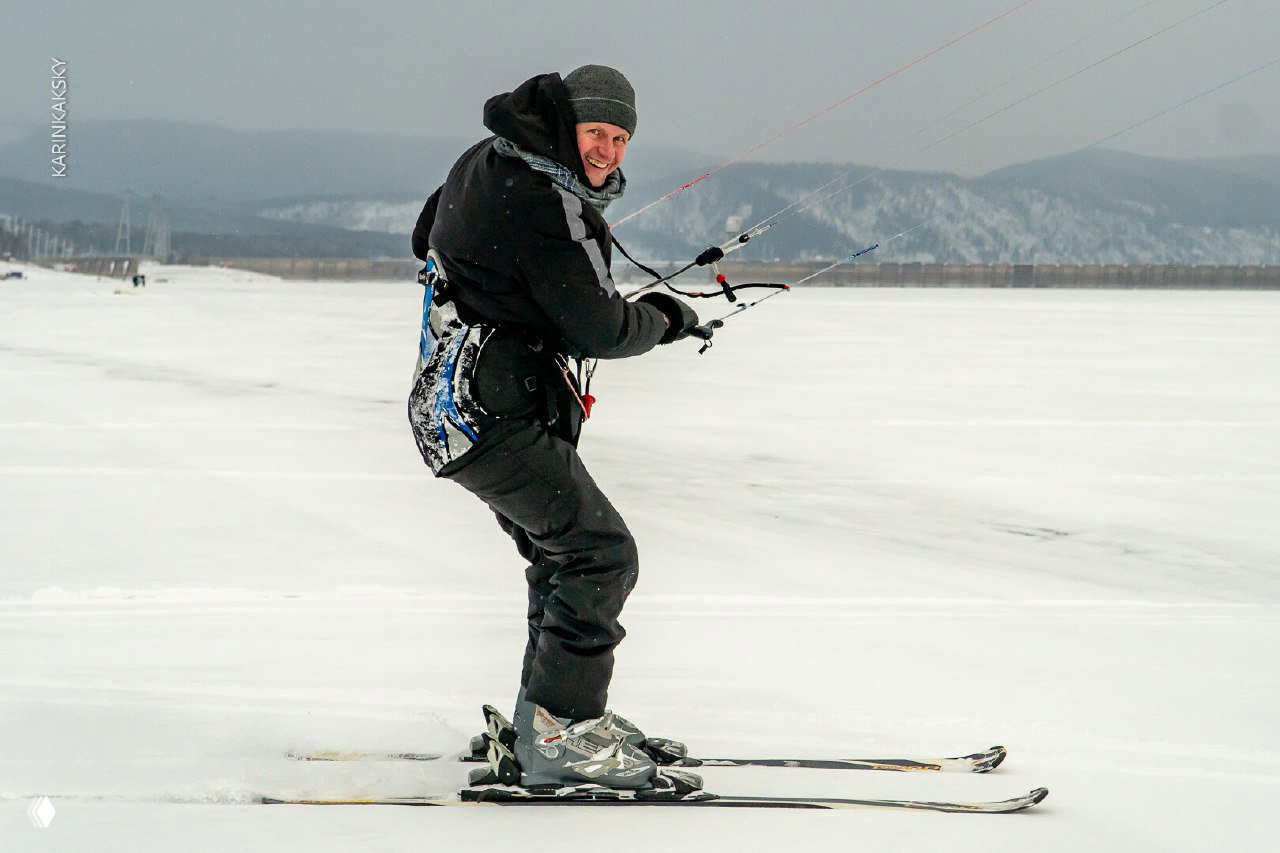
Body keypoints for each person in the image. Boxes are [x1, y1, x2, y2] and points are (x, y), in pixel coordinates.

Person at [408, 65, 699, 791]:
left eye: (621, 138)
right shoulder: (543, 197)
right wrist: (664, 318)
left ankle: (546, 718)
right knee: (600, 555)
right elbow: (601, 325)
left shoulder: (489, 159)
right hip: (486, 411)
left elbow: (427, 233)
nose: (608, 150)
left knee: (561, 552)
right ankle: (564, 732)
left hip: (454, 406)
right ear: (567, 126)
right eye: (597, 132)